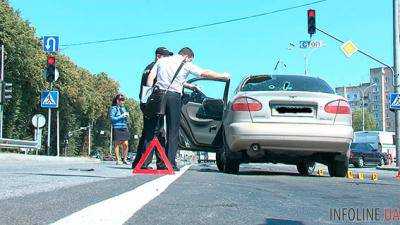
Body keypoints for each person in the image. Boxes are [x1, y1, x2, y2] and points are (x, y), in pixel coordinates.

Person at [146, 47, 230, 171]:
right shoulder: (185, 63)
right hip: (174, 96)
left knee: (155, 129)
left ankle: (146, 161)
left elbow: (151, 78)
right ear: (188, 57)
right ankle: (169, 163)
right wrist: (223, 76)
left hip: (158, 94)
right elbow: (203, 73)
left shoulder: (162, 61)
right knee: (173, 130)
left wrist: (148, 95)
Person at [132, 47, 173, 169]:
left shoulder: (148, 67)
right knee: (155, 133)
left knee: (148, 132)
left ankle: (139, 162)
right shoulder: (156, 67)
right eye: (167, 57)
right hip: (153, 104)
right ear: (159, 56)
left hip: (147, 103)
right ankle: (145, 163)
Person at [109, 93, 130, 165]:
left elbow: (125, 118)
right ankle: (118, 160)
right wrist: (121, 116)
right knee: (117, 144)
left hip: (124, 126)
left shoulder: (123, 108)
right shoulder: (113, 108)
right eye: (121, 100)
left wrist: (127, 116)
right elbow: (112, 119)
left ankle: (124, 158)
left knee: (126, 144)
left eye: (123, 100)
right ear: (117, 100)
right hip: (117, 127)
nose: (123, 101)